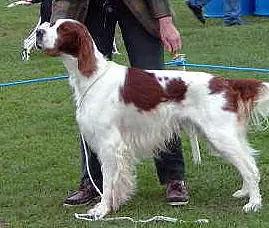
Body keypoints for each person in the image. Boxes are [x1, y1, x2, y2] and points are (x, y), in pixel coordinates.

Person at [49, 0, 189, 207]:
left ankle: (174, 178)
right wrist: (57, 24)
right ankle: (92, 182)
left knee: (160, 95)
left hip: (139, 8)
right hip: (91, 8)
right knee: (92, 101)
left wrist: (165, 20)